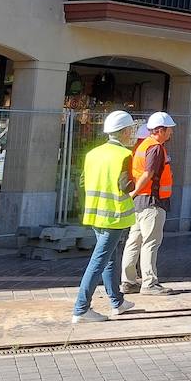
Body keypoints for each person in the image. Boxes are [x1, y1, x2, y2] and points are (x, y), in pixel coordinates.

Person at [73, 111, 137, 324]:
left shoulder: (93, 154)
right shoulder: (125, 156)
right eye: (131, 130)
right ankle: (81, 308)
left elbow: (82, 183)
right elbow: (126, 186)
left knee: (109, 258)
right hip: (114, 216)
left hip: (95, 213)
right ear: (126, 131)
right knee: (99, 261)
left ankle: (117, 302)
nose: (132, 133)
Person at [121, 111, 175, 296]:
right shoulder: (156, 148)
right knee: (150, 242)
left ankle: (128, 281)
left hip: (140, 203)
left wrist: (134, 195)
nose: (171, 133)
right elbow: (148, 174)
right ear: (160, 130)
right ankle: (149, 283)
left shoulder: (142, 145)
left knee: (134, 241)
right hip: (152, 201)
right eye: (169, 130)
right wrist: (135, 192)